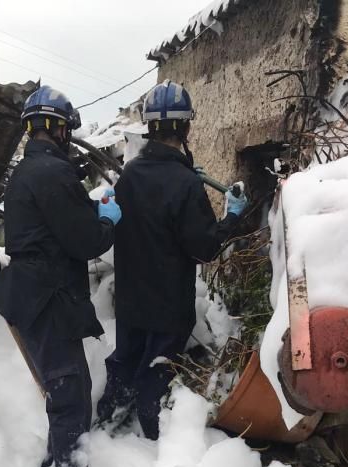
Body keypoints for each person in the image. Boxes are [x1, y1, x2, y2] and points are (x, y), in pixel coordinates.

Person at [0, 85, 121, 467]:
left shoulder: (29, 172)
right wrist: (105, 220)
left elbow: (50, 216)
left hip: (35, 294)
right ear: (61, 130)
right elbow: (82, 241)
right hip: (48, 298)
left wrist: (76, 182)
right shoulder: (52, 176)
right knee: (71, 398)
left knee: (64, 391)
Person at [96, 79, 248, 440]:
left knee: (125, 360)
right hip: (168, 304)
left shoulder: (129, 176)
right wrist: (232, 216)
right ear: (186, 127)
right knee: (156, 369)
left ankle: (105, 426)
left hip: (132, 298)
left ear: (149, 126)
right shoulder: (185, 184)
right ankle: (152, 441)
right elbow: (205, 248)